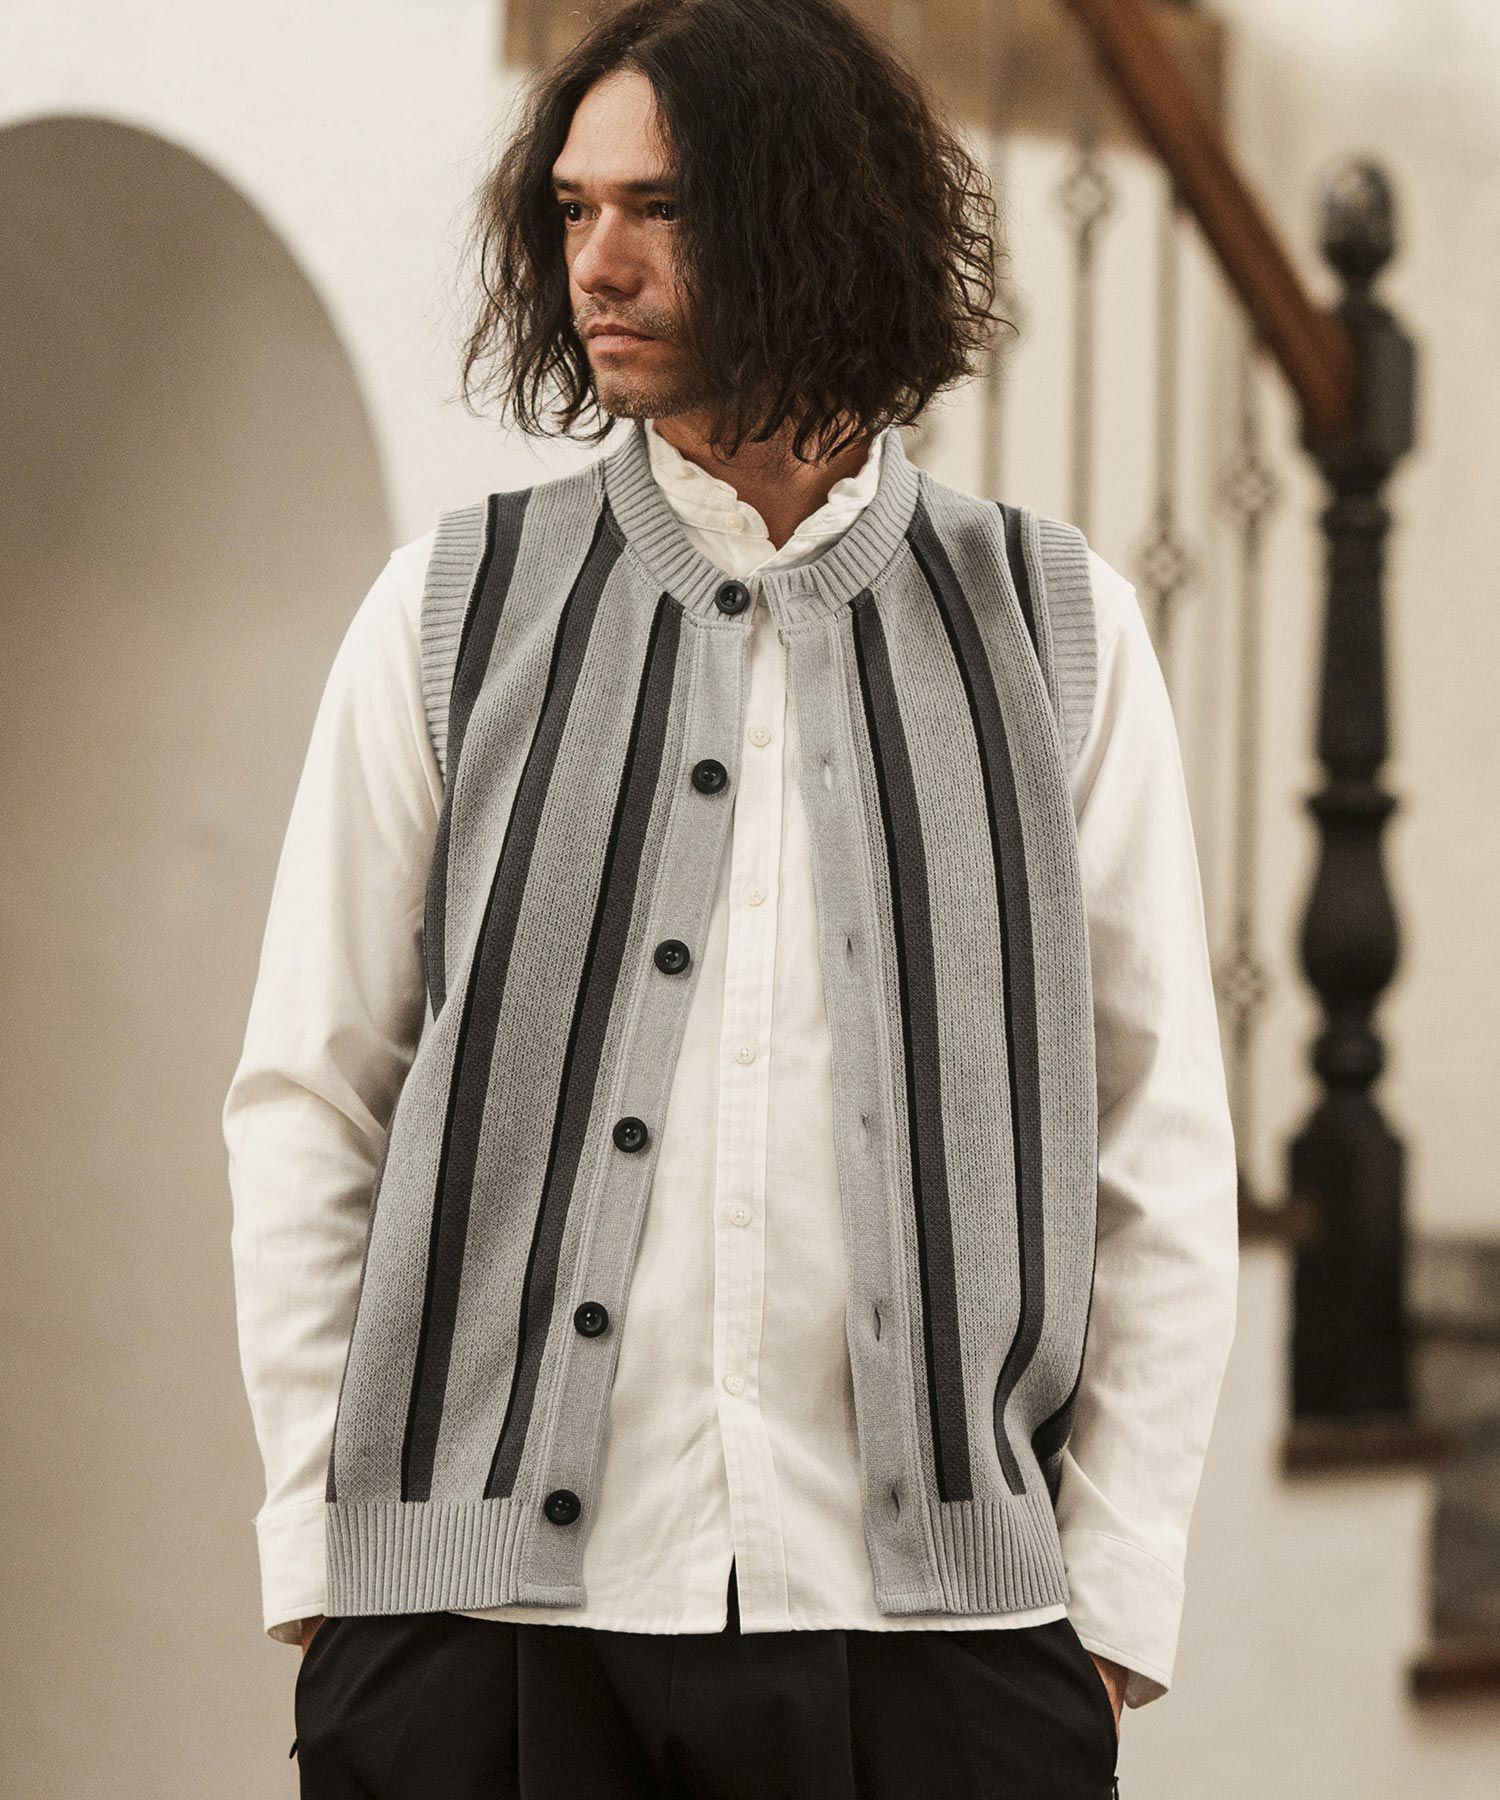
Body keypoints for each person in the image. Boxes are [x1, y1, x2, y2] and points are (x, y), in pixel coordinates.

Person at [223, 1, 1238, 1794]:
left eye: (661, 209)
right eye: (572, 207)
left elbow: (1155, 1137)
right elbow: (310, 1100)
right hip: (478, 1645)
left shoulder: (1055, 628)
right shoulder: (453, 610)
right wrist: (328, 1562)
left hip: (937, 1655)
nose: (595, 263)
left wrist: (1108, 1600)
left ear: (813, 221)